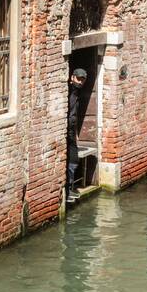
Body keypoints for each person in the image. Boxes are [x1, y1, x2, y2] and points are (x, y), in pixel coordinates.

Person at [66, 68, 88, 202]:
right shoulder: (68, 91)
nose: (80, 82)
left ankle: (69, 189)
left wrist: (75, 134)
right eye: (78, 79)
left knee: (73, 160)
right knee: (69, 160)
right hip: (65, 131)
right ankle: (67, 191)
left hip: (71, 132)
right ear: (72, 77)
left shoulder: (76, 92)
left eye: (82, 80)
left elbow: (74, 113)